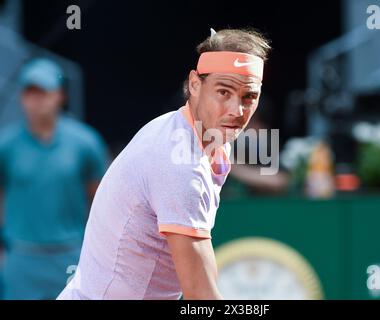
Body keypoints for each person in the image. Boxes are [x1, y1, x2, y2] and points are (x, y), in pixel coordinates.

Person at [57, 28, 271, 300]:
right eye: (223, 91)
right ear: (194, 84)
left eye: (248, 97)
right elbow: (202, 295)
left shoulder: (197, 133)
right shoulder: (181, 166)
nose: (235, 110)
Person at [0, 58, 109, 299]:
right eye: (30, 92)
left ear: (59, 95)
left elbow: (102, 200)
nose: (36, 100)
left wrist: (98, 250)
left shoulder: (85, 142)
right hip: (22, 258)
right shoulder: (5, 145)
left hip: (71, 255)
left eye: (43, 91)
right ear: (22, 97)